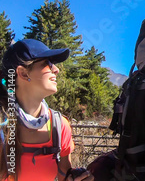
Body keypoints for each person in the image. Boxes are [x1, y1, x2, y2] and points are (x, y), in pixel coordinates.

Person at [0, 39, 94, 181]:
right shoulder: (2, 126)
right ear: (23, 73)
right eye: (47, 63)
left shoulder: (60, 126)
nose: (56, 69)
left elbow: (64, 176)